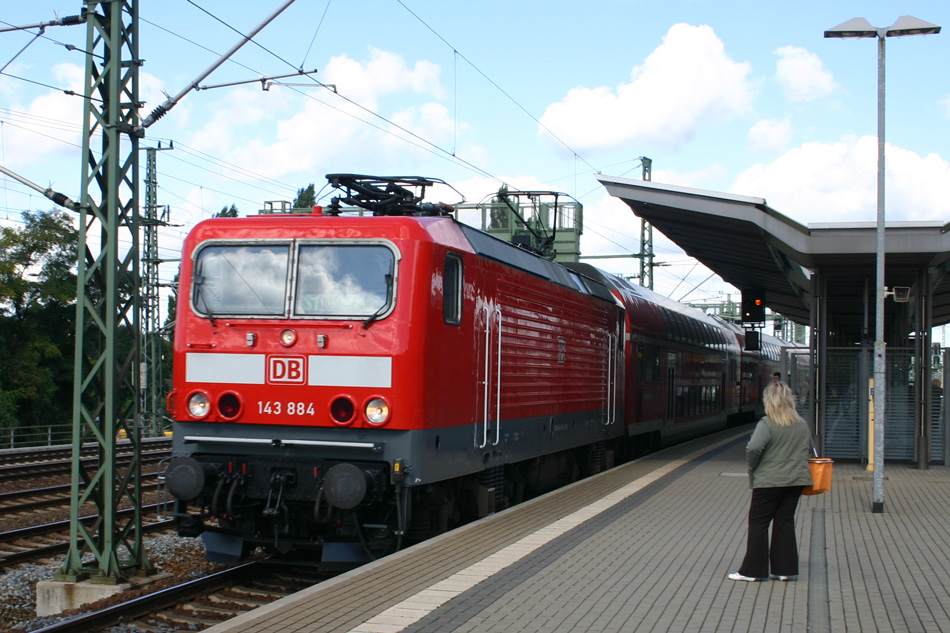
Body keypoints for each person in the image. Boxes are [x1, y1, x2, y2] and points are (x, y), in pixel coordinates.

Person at [729, 381, 813, 582]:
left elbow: (753, 448)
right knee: (785, 522)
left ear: (769, 401)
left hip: (768, 481)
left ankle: (752, 571)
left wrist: (753, 466)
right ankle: (784, 570)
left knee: (758, 523)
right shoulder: (801, 424)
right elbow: (808, 449)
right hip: (795, 481)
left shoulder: (767, 423)